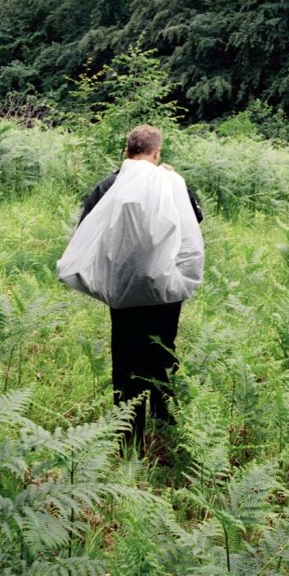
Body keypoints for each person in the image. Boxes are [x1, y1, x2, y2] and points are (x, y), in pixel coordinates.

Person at [57, 124, 204, 444]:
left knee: (126, 357)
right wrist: (175, 180)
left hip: (123, 289)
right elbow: (195, 220)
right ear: (156, 152)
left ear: (127, 150)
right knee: (163, 350)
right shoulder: (172, 183)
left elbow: (88, 228)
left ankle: (128, 434)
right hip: (166, 289)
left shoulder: (109, 185)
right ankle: (165, 422)